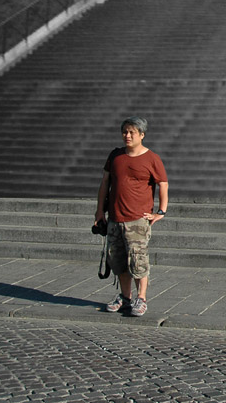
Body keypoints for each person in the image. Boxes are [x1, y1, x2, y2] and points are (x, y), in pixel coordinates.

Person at [94, 116, 169, 317]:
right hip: (114, 218)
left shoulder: (152, 158)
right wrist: (100, 211)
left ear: (142, 135)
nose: (127, 136)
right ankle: (125, 297)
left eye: (131, 132)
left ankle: (141, 298)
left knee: (138, 260)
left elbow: (163, 184)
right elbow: (105, 183)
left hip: (137, 219)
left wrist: (161, 211)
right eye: (125, 132)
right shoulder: (115, 156)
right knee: (117, 260)